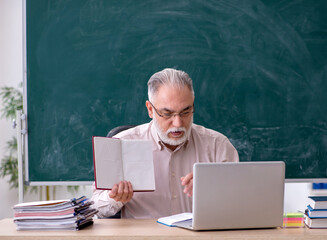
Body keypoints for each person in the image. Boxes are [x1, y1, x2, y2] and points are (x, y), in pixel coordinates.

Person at [91, 68, 239, 219]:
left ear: (193, 105)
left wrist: (216, 192)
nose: (178, 123)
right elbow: (95, 209)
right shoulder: (120, 143)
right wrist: (114, 199)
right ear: (150, 109)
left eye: (186, 112)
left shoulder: (217, 146)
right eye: (167, 114)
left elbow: (240, 206)